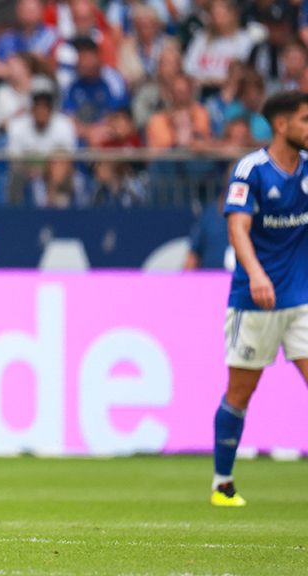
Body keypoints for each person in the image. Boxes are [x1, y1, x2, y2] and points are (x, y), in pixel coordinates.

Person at [212, 90, 308, 507]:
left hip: (301, 300)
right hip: (256, 301)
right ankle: (222, 483)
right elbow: (238, 229)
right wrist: (255, 274)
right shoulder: (251, 170)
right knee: (240, 392)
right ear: (283, 125)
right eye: (306, 119)